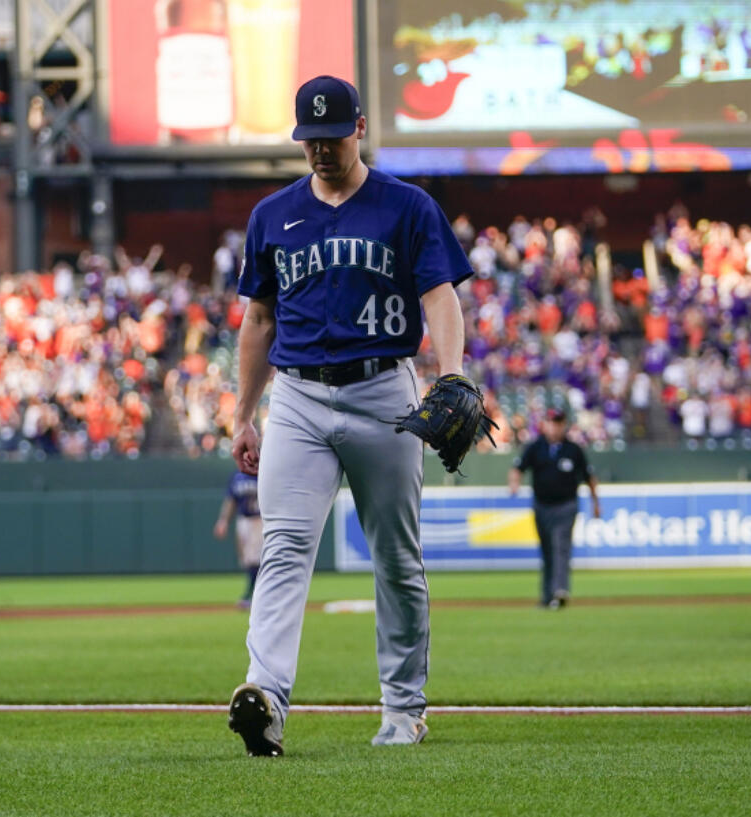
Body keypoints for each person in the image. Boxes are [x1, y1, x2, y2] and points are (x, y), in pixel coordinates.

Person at [226, 75, 474, 756]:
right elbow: (257, 319)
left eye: (332, 138)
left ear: (359, 128)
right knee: (283, 548)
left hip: (383, 392)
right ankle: (266, 696)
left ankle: (403, 707)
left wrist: (449, 372)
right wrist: (244, 412)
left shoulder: (406, 206)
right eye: (310, 140)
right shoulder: (272, 214)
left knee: (396, 556)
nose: (321, 151)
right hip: (298, 397)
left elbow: (441, 295)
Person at [507, 408, 601, 610]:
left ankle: (560, 590)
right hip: (542, 506)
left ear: (564, 424)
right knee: (547, 549)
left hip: (566, 506)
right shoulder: (536, 447)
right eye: (551, 422)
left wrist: (596, 503)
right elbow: (518, 468)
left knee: (560, 545)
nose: (554, 426)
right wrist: (514, 484)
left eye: (558, 422)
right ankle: (547, 595)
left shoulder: (573, 449)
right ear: (545, 424)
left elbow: (589, 477)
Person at [213, 469, 261, 608]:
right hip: (243, 520)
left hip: (259, 519)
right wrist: (223, 521)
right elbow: (231, 500)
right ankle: (254, 593)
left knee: (254, 558)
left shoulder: (263, 470)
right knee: (246, 559)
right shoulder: (237, 476)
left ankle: (251, 594)